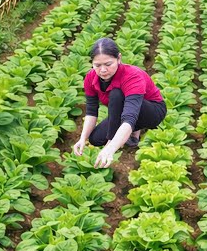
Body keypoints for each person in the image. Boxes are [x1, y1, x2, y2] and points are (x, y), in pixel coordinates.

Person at [71, 37, 166, 168]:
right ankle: (128, 133)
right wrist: (82, 138)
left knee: (116, 94)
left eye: (108, 64)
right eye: (97, 65)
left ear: (119, 58)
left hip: (151, 111)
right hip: (123, 109)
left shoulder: (132, 76)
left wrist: (110, 147)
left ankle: (134, 132)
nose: (103, 70)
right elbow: (91, 111)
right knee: (95, 139)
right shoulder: (90, 77)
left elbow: (130, 116)